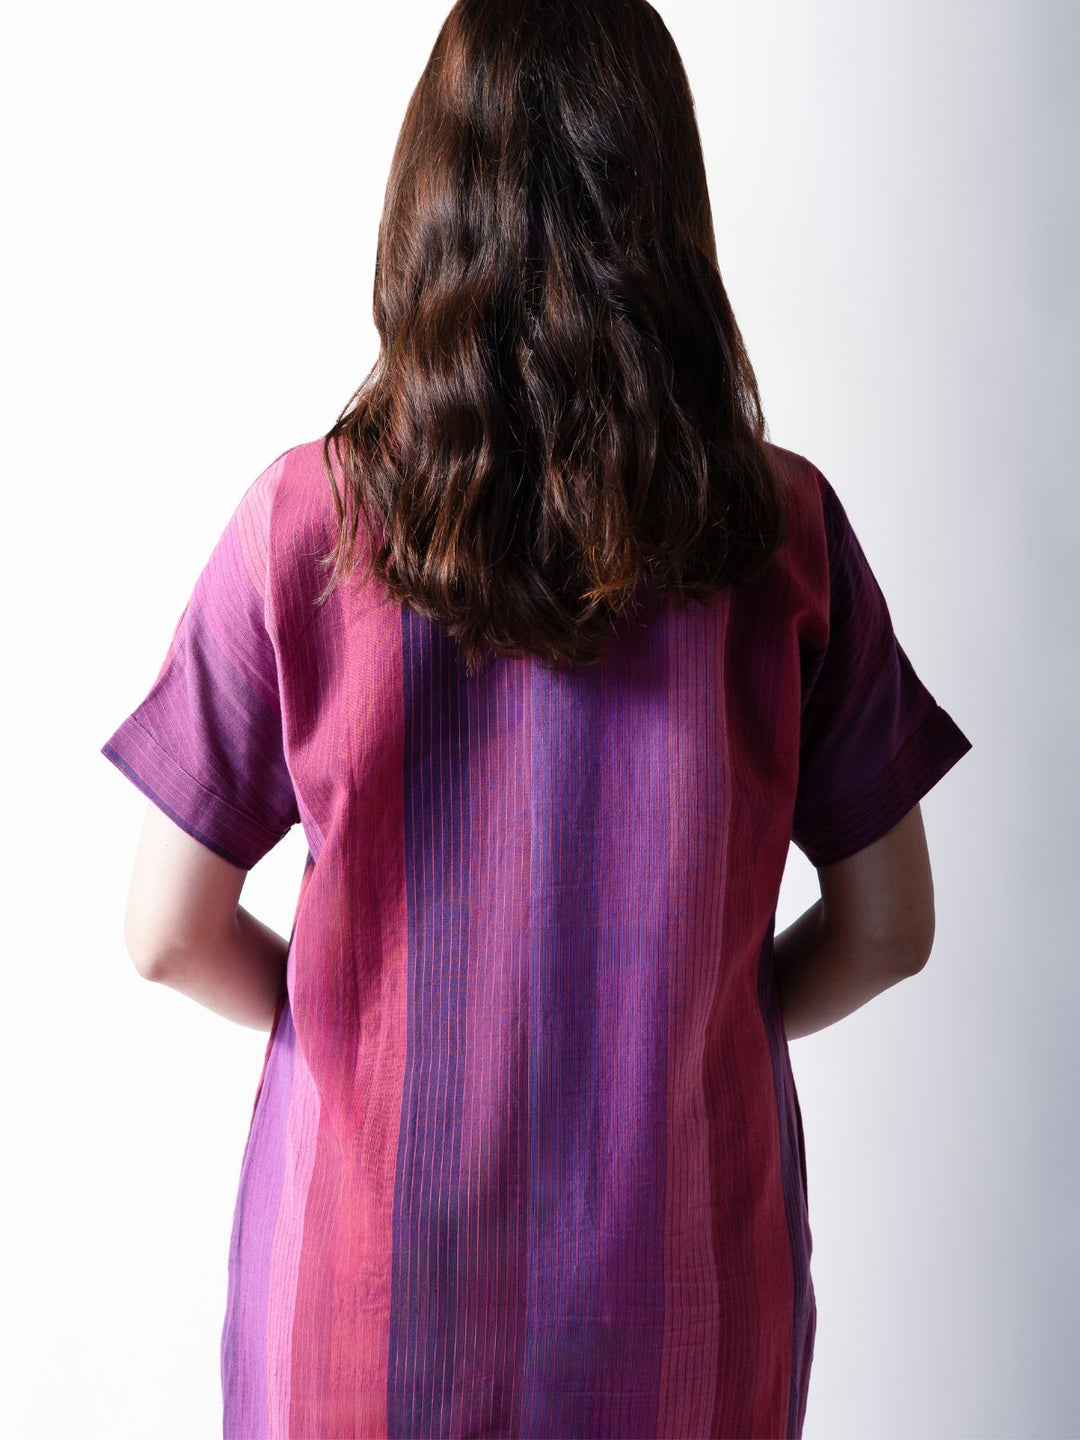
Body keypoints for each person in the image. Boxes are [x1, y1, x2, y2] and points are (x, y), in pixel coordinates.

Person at [99, 1, 973, 1436]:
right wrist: (700, 1029)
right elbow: (891, 927)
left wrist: (354, 1028)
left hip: (359, 1315)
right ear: (667, 211)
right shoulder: (783, 535)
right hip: (685, 1308)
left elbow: (162, 932)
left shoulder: (302, 526)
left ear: (430, 203)